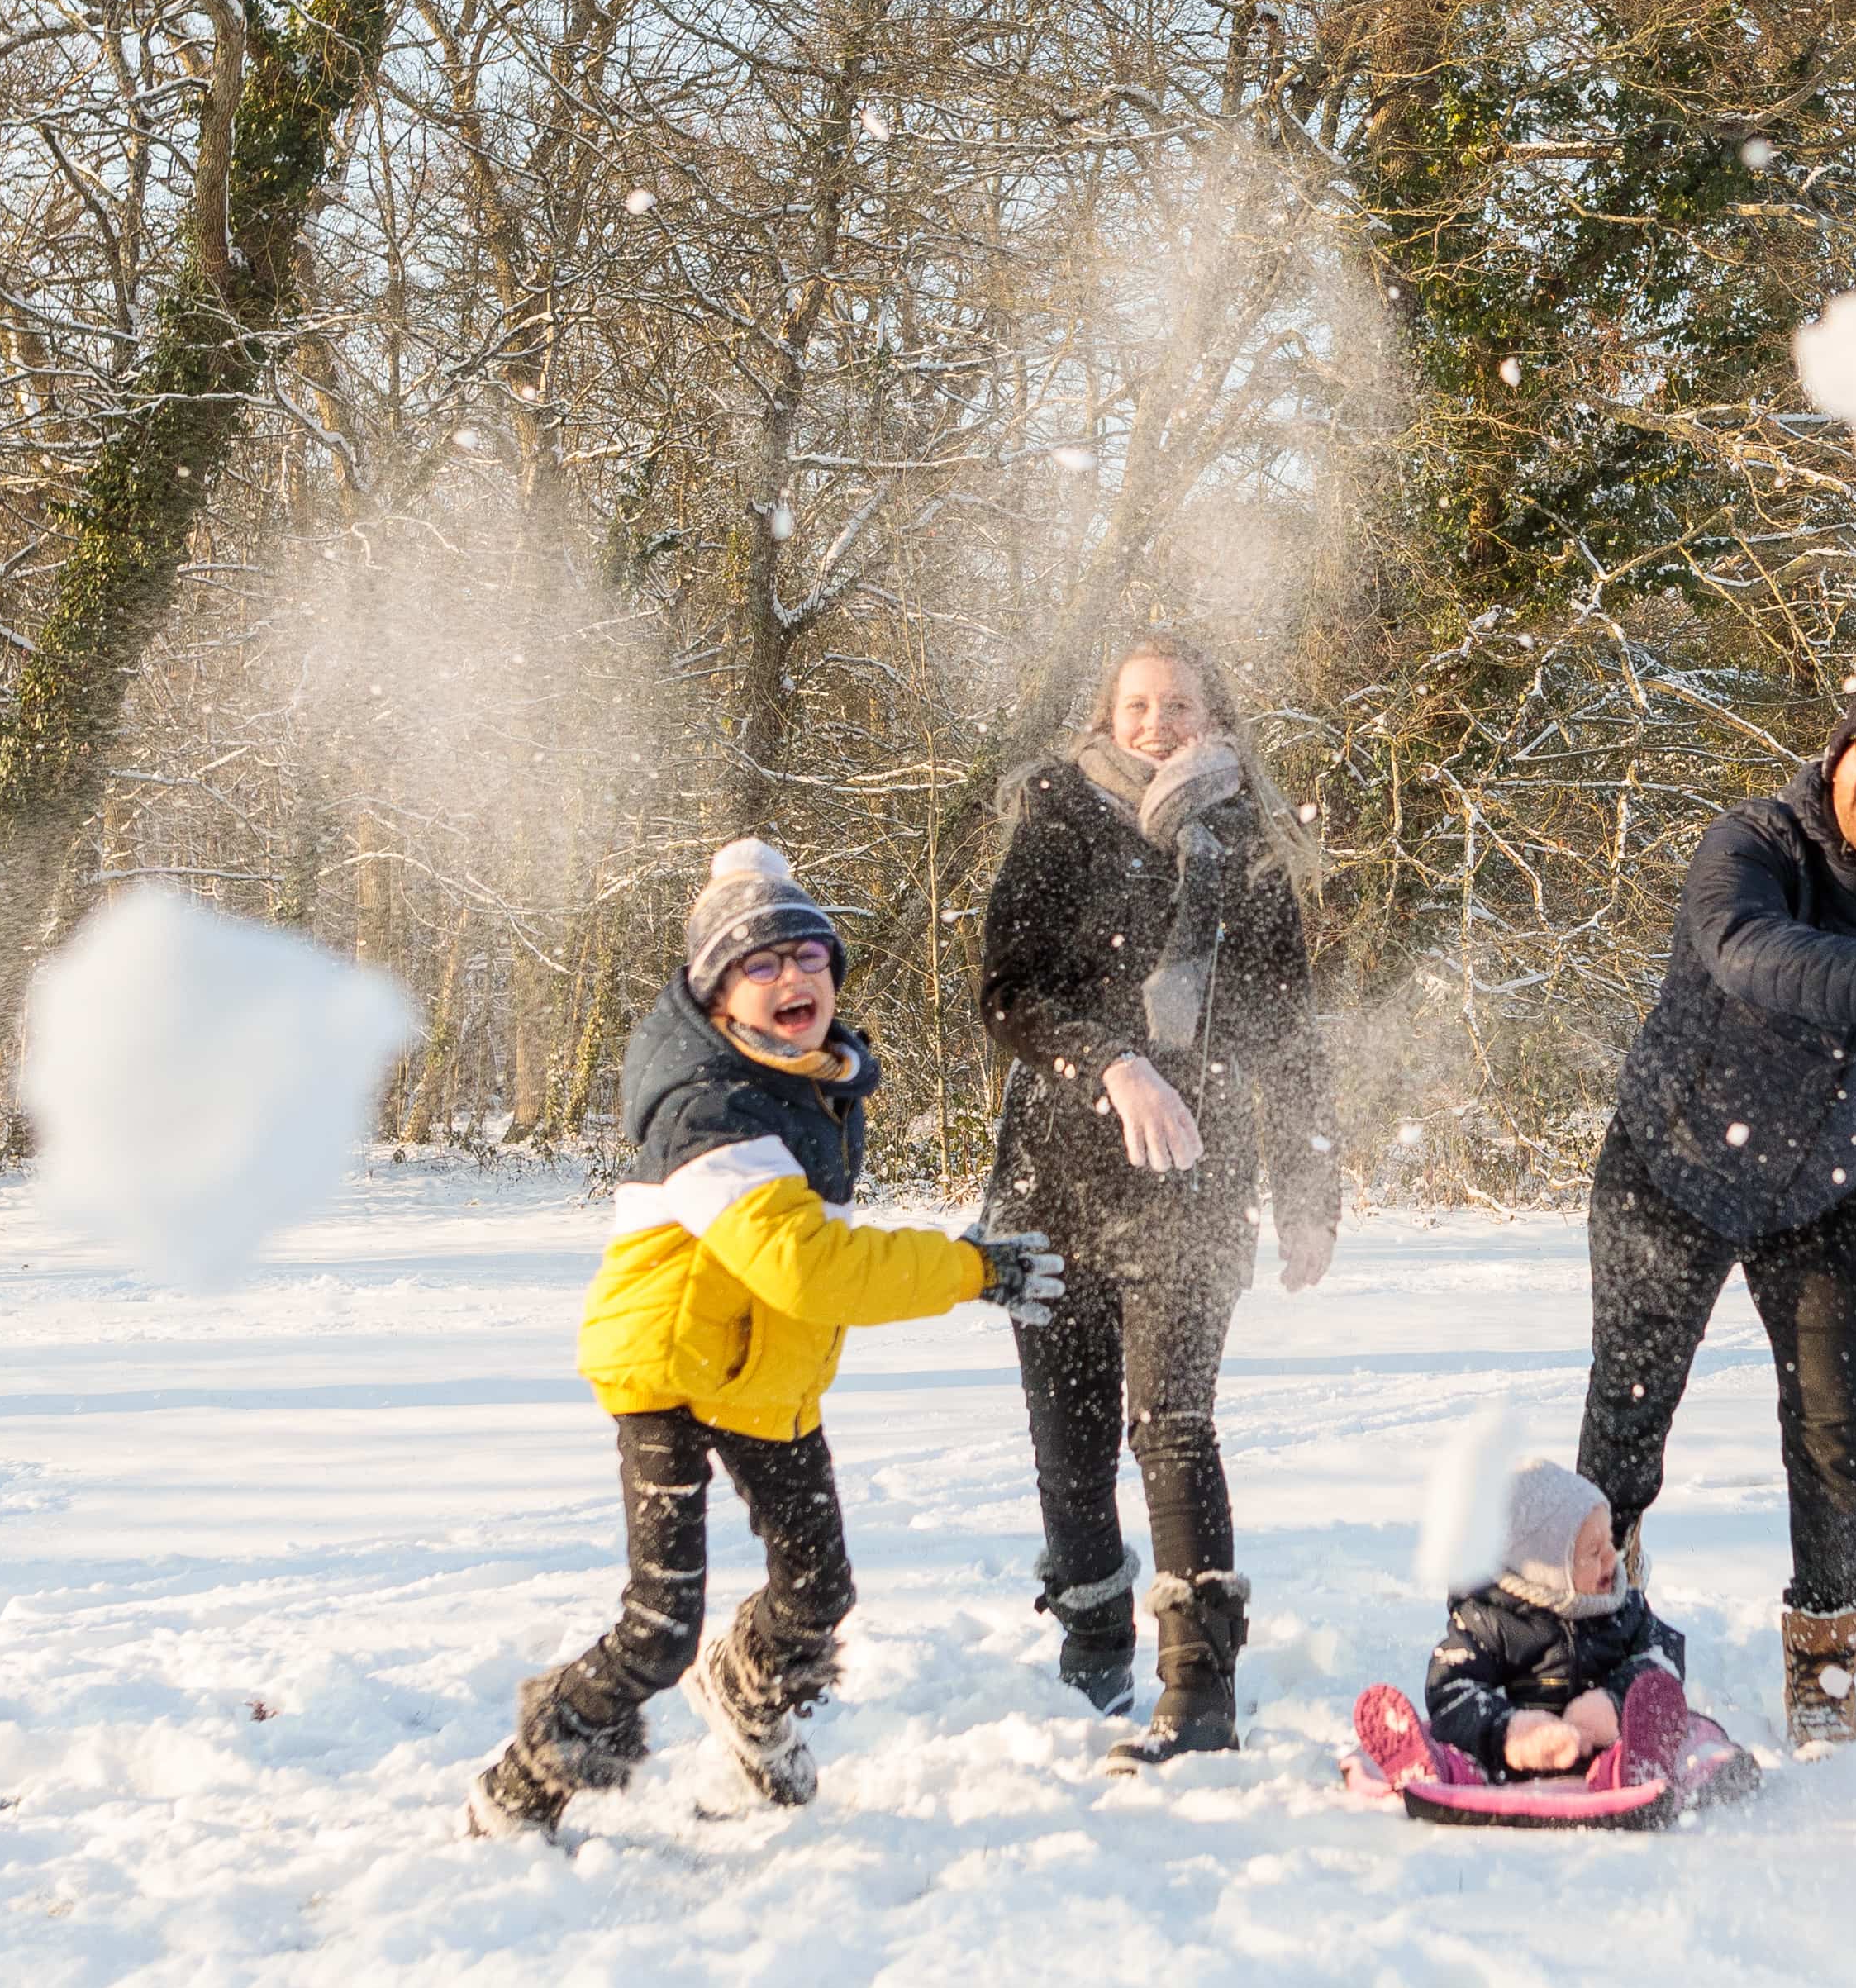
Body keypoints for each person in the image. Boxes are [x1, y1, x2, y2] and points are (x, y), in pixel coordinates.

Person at [466, 839, 1064, 1839]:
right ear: (716, 993)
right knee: (659, 1627)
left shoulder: (808, 1079)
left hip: (758, 1366)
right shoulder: (712, 1106)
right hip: (663, 1365)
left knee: (819, 1587)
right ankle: (522, 1783)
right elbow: (808, 1264)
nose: (793, 977)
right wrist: (971, 1267)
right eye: (760, 963)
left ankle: (746, 1698)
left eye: (809, 957)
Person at [1574, 676, 1856, 1749]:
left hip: (1833, 1191)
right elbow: (1747, 952)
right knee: (1630, 1414)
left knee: (1834, 1441)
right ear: (1837, 755)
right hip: (1673, 1167)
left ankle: (1824, 1665)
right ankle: (1599, 1619)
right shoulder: (1756, 842)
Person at [978, 634, 1339, 1769]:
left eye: (1177, 702)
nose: (1154, 720)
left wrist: (1308, 1183)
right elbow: (1007, 992)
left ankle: (1200, 1687)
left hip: (1196, 1174)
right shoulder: (1055, 811)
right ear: (1106, 710)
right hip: (1053, 1180)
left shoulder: (1248, 840)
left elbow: (1289, 1029)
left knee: (1171, 1425)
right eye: (1135, 702)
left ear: (1210, 715)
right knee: (1069, 1449)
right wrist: (1110, 1062)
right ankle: (1092, 1643)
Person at [1349, 1460, 1693, 1787]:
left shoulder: (1622, 1606)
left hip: (1602, 1746)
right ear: (1546, 1569)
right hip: (1509, 1760)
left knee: (1645, 1733)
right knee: (1462, 1757)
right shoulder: (1489, 1618)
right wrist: (1510, 1733)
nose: (1611, 1557)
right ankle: (1426, 1767)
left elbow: (1660, 1656)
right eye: (1593, 1551)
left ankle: (1637, 1768)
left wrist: (1615, 1703)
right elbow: (1452, 1689)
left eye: (1609, 1542)